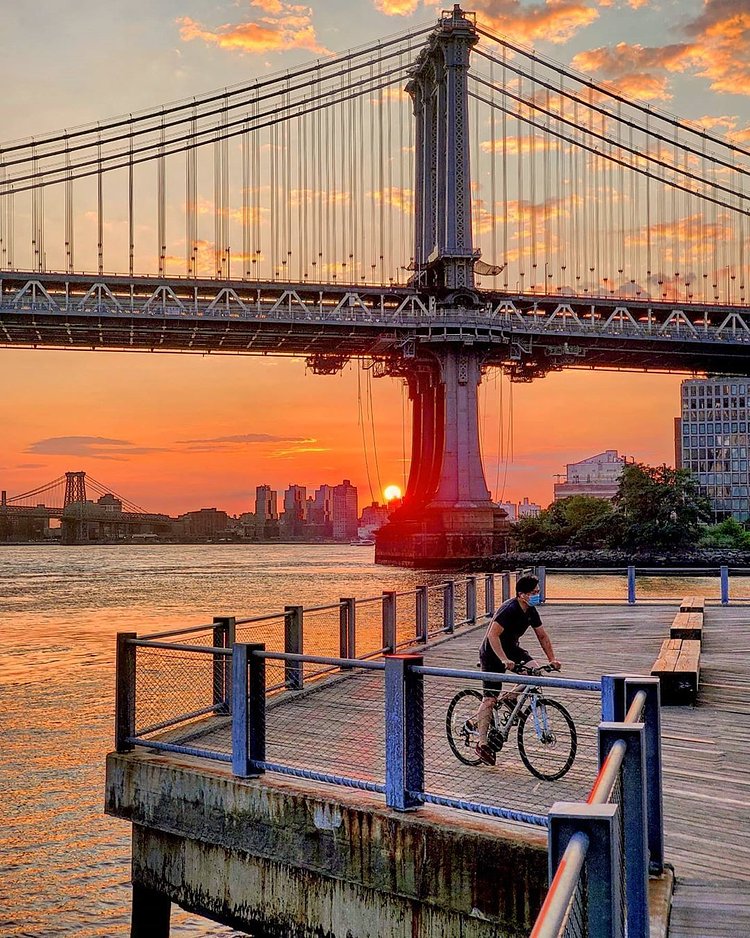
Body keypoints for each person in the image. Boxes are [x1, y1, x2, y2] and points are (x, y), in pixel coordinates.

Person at [475, 574, 561, 766]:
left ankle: (512, 696)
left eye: (538, 592)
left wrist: (552, 659)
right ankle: (482, 744)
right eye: (534, 593)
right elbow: (492, 635)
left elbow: (542, 636)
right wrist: (503, 659)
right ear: (522, 595)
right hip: (492, 652)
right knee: (490, 699)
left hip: (512, 648)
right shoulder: (510, 609)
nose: (537, 595)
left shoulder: (531, 610)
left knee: (535, 672)